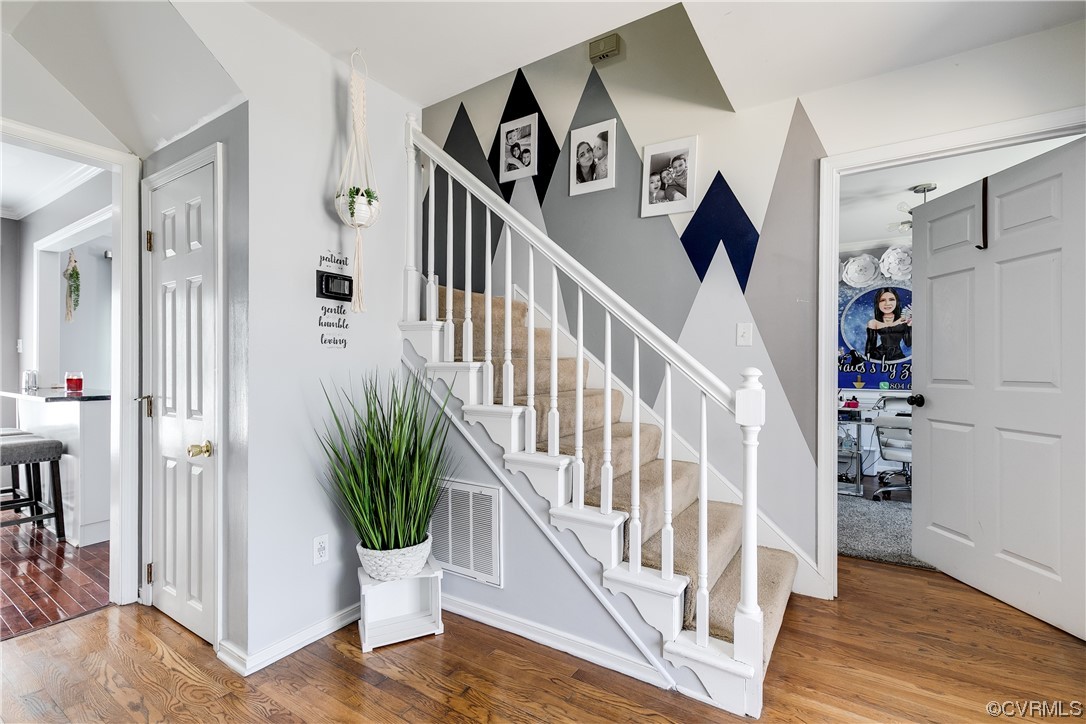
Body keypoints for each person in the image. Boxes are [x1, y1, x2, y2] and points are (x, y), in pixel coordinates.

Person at [865, 288, 911, 362]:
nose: (887, 303)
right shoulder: (873, 323)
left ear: (897, 301)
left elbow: (908, 343)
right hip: (878, 355)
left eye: (891, 299)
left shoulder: (904, 319)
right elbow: (870, 346)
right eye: (882, 300)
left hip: (897, 355)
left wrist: (909, 326)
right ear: (877, 303)